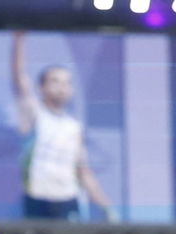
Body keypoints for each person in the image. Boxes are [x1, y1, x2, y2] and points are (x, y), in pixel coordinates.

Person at [11, 31, 115, 223]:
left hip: (68, 201)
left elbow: (84, 172)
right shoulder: (34, 116)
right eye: (55, 81)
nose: (61, 87)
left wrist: (106, 207)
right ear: (41, 87)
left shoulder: (74, 127)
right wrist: (19, 41)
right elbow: (19, 81)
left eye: (67, 83)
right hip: (37, 199)